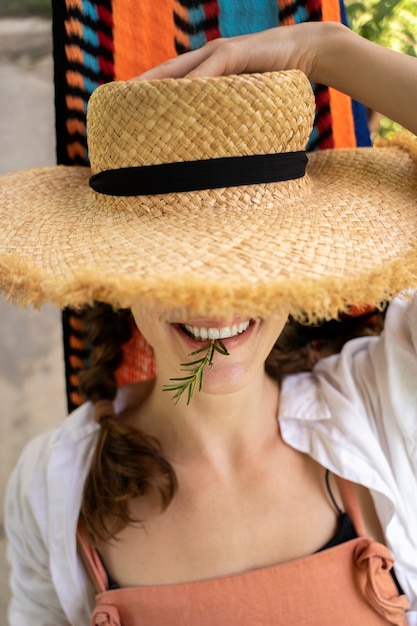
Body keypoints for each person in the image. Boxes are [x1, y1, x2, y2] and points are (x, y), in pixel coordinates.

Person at [1, 22, 417, 626]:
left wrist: (325, 49)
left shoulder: (385, 403)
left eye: (256, 263)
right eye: (173, 267)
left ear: (300, 272)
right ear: (119, 278)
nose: (215, 304)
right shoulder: (51, 486)